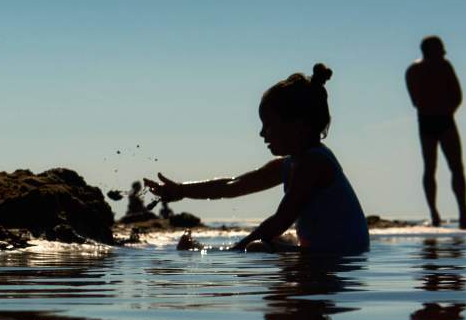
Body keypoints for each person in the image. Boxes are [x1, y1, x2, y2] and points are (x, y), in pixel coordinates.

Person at [145, 64, 369, 254]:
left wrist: (233, 250)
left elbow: (281, 220)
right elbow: (232, 185)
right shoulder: (290, 164)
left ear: (298, 124)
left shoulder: (314, 164)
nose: (262, 134)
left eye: (268, 125)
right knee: (275, 243)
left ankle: (209, 250)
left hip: (339, 259)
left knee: (256, 248)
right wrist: (182, 190)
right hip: (322, 254)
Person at [406, 36, 466, 229]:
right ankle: (434, 214)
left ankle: (463, 213)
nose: (443, 53)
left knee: (456, 167)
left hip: (445, 120)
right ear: (429, 50)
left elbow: (457, 94)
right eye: (439, 49)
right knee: (430, 167)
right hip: (428, 121)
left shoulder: (445, 66)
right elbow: (415, 100)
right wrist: (435, 106)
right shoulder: (414, 70)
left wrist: (447, 109)